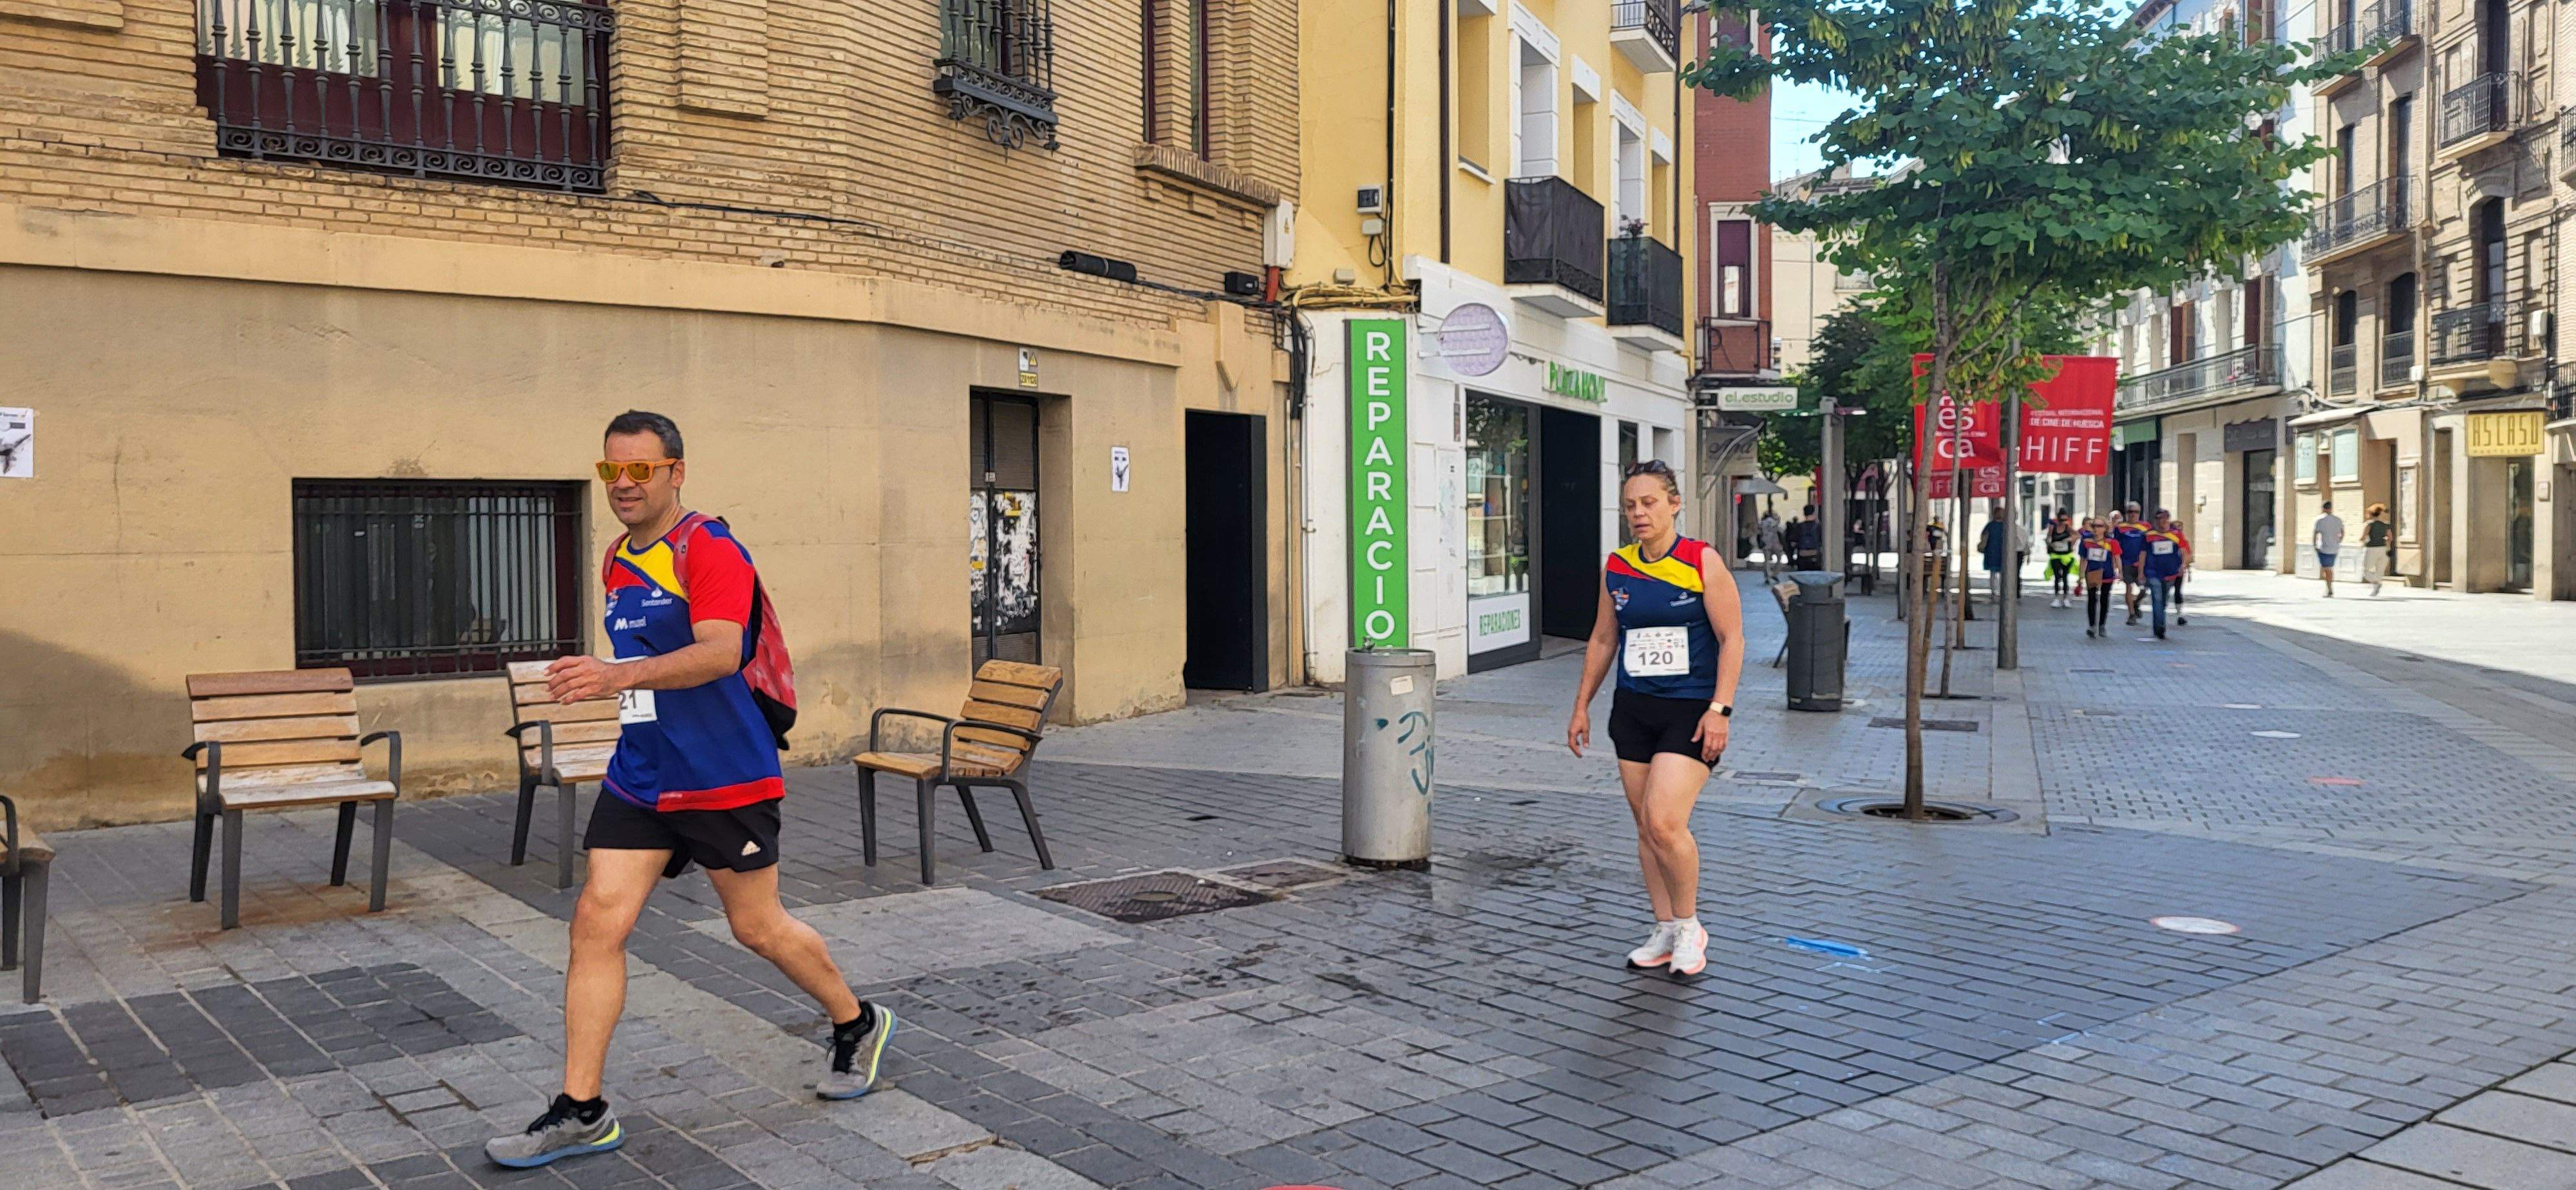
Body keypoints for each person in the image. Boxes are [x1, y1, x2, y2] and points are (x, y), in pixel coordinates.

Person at [488, 411, 896, 1171]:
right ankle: (582, 1109)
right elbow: (645, 664)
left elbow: (719, 651)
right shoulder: (617, 557)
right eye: (612, 471)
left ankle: (856, 1020)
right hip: (644, 772)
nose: (624, 486)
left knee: (758, 929)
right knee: (594, 924)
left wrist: (615, 675)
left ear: (677, 471)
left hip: (723, 774)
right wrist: (608, 685)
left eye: (641, 470)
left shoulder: (708, 547)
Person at [1568, 460, 1746, 980]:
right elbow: (1604, 639)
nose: (1638, 513)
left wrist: (1721, 709)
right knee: (1646, 826)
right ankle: (1665, 928)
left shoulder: (1700, 560)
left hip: (1691, 711)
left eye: (1649, 502)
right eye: (1630, 505)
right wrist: (1582, 704)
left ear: (1674, 504)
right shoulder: (1618, 567)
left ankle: (1691, 926)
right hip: (1634, 710)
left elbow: (1733, 639)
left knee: (1666, 821)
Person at [2141, 511, 2188, 639]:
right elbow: (2143, 554)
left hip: (2170, 573)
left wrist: (2183, 565)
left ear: (2168, 519)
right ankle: (2160, 627)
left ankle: (2159, 622)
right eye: (2158, 519)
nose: (2161, 521)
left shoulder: (2176, 534)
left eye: (2163, 518)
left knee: (2164, 600)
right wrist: (2141, 572)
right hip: (2153, 572)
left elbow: (2184, 551)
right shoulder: (2148, 535)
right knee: (2157, 598)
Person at [2078, 516, 2121, 638]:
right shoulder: (2086, 542)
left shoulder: (2112, 543)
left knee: (2104, 599)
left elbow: (2117, 557)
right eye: (2094, 526)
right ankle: (2092, 625)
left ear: (2105, 528)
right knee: (2092, 599)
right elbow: (2083, 559)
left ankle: (2102, 625)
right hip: (2091, 573)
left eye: (2100, 526)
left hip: (2107, 573)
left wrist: (2120, 572)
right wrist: (2081, 575)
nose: (2096, 529)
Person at [2152, 508, 2192, 627]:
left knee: (2177, 591)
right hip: (2162, 571)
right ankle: (2161, 614)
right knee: (2164, 593)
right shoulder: (2158, 536)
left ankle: (2179, 614)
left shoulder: (2180, 538)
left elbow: (2186, 554)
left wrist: (2185, 567)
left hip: (2178, 570)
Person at [2045, 513, 2078, 609]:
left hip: (2067, 555)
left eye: (2066, 520)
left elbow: (2078, 535)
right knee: (2056, 576)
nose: (2064, 522)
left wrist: (2071, 539)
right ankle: (2056, 598)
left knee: (2065, 577)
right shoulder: (2053, 528)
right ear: (2058, 520)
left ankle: (2066, 598)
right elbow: (2048, 538)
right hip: (2056, 555)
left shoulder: (2068, 528)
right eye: (2062, 520)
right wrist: (2050, 543)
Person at [2313, 500, 2345, 597]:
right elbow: (2343, 533)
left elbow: (2315, 534)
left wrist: (2314, 545)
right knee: (2328, 569)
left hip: (2323, 548)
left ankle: (2329, 589)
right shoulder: (2338, 520)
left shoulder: (2320, 520)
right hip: (2335, 548)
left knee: (2327, 569)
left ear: (2323, 508)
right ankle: (2329, 587)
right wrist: (2339, 541)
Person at [2362, 502, 2393, 596]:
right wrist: (2383, 539)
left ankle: (2376, 583)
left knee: (2366, 571)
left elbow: (2363, 537)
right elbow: (2390, 538)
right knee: (2380, 570)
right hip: (2384, 549)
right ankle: (2375, 589)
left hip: (2372, 549)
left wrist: (2363, 541)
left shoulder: (2369, 524)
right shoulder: (2386, 525)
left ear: (2371, 514)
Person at [1756, 509, 1785, 581]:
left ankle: (1767, 576)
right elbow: (1780, 531)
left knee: (1766, 561)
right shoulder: (1774, 522)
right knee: (1779, 558)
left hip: (1766, 544)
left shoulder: (1762, 523)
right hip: (1775, 543)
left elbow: (1759, 531)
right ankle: (1775, 574)